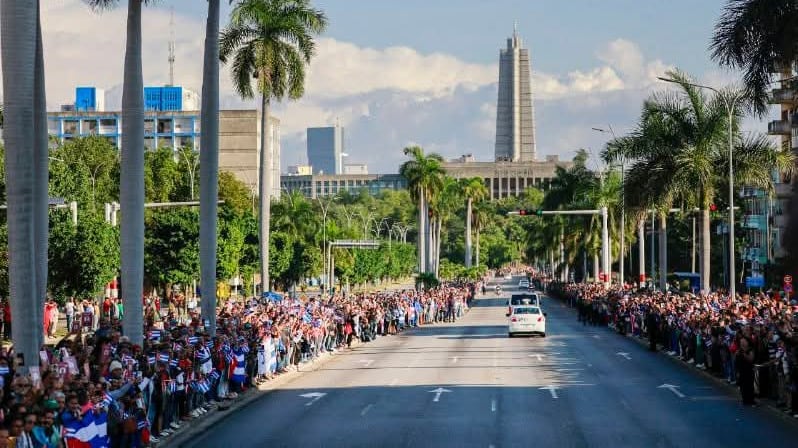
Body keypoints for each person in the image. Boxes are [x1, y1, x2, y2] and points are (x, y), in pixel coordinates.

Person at [736, 337, 757, 406]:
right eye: (741, 342)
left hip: (749, 370)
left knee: (750, 385)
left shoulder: (750, 350)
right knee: (743, 385)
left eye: (744, 341)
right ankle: (745, 399)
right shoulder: (739, 350)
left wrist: (745, 354)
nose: (742, 343)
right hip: (741, 370)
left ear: (747, 342)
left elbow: (751, 359)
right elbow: (737, 361)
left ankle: (751, 400)